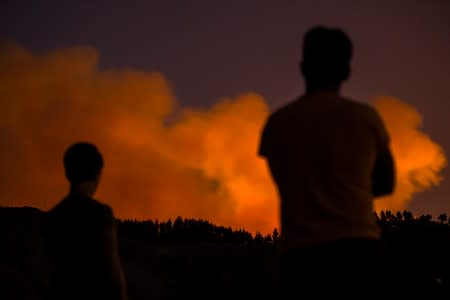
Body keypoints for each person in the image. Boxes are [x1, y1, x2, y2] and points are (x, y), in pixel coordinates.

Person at [258, 26, 395, 298]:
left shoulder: (279, 124)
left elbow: (283, 181)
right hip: (358, 254)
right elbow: (386, 183)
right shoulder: (366, 118)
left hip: (302, 259)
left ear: (304, 67)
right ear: (346, 71)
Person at [43, 142, 127, 300]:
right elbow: (112, 273)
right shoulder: (100, 214)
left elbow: (46, 273)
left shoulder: (53, 217)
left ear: (67, 173)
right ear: (97, 174)